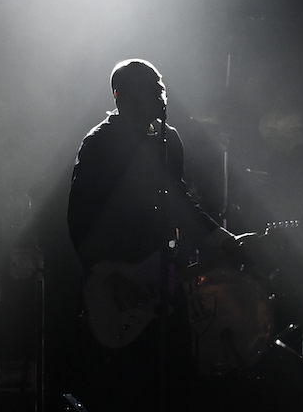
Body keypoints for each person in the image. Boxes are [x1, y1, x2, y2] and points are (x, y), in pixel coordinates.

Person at [67, 59, 246, 409]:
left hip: (162, 273)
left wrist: (219, 238)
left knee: (171, 370)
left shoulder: (169, 141)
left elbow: (179, 200)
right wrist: (106, 273)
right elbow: (81, 217)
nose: (157, 93)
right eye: (148, 86)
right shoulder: (100, 144)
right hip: (117, 277)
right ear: (121, 96)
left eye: (157, 86)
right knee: (125, 384)